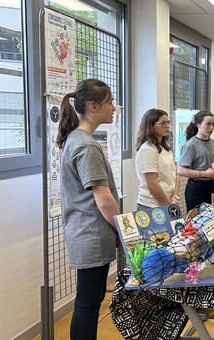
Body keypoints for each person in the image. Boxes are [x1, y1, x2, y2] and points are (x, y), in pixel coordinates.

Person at [56, 79, 120, 340]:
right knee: (87, 304)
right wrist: (125, 230)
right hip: (91, 235)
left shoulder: (78, 140)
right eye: (110, 102)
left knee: (89, 302)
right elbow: (103, 200)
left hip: (88, 233)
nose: (114, 108)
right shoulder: (85, 145)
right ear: (94, 106)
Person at [177, 110, 214, 212]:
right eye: (208, 124)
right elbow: (181, 170)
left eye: (213, 124)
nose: (211, 128)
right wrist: (204, 173)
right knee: (196, 221)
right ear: (198, 124)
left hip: (212, 186)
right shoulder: (191, 145)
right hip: (196, 188)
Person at [135, 108, 180, 210]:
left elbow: (176, 173)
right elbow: (152, 184)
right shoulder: (147, 150)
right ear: (151, 126)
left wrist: (175, 197)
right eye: (162, 123)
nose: (167, 126)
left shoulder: (165, 146)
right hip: (151, 205)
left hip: (168, 202)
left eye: (168, 122)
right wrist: (169, 205)